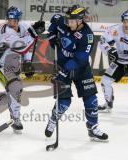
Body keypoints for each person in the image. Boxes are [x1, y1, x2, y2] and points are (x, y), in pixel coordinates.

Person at [45, 5, 108, 141]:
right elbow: (53, 22)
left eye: (72, 21)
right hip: (62, 66)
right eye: (68, 20)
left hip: (81, 69)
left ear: (80, 21)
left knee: (91, 100)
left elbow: (78, 59)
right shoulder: (63, 21)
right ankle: (53, 119)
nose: (69, 23)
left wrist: (62, 73)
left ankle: (93, 127)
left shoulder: (88, 36)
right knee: (64, 103)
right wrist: (51, 37)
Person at [0, 6, 45, 133]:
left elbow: (29, 45)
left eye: (16, 19)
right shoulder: (5, 32)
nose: (13, 22)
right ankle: (15, 118)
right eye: (11, 19)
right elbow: (22, 46)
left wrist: (28, 61)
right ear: (7, 19)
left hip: (12, 63)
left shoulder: (23, 25)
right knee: (14, 89)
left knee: (14, 90)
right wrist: (34, 33)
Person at [98, 6, 128, 112]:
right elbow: (102, 40)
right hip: (119, 61)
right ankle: (108, 104)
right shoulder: (115, 29)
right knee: (105, 81)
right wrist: (109, 50)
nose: (126, 24)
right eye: (124, 21)